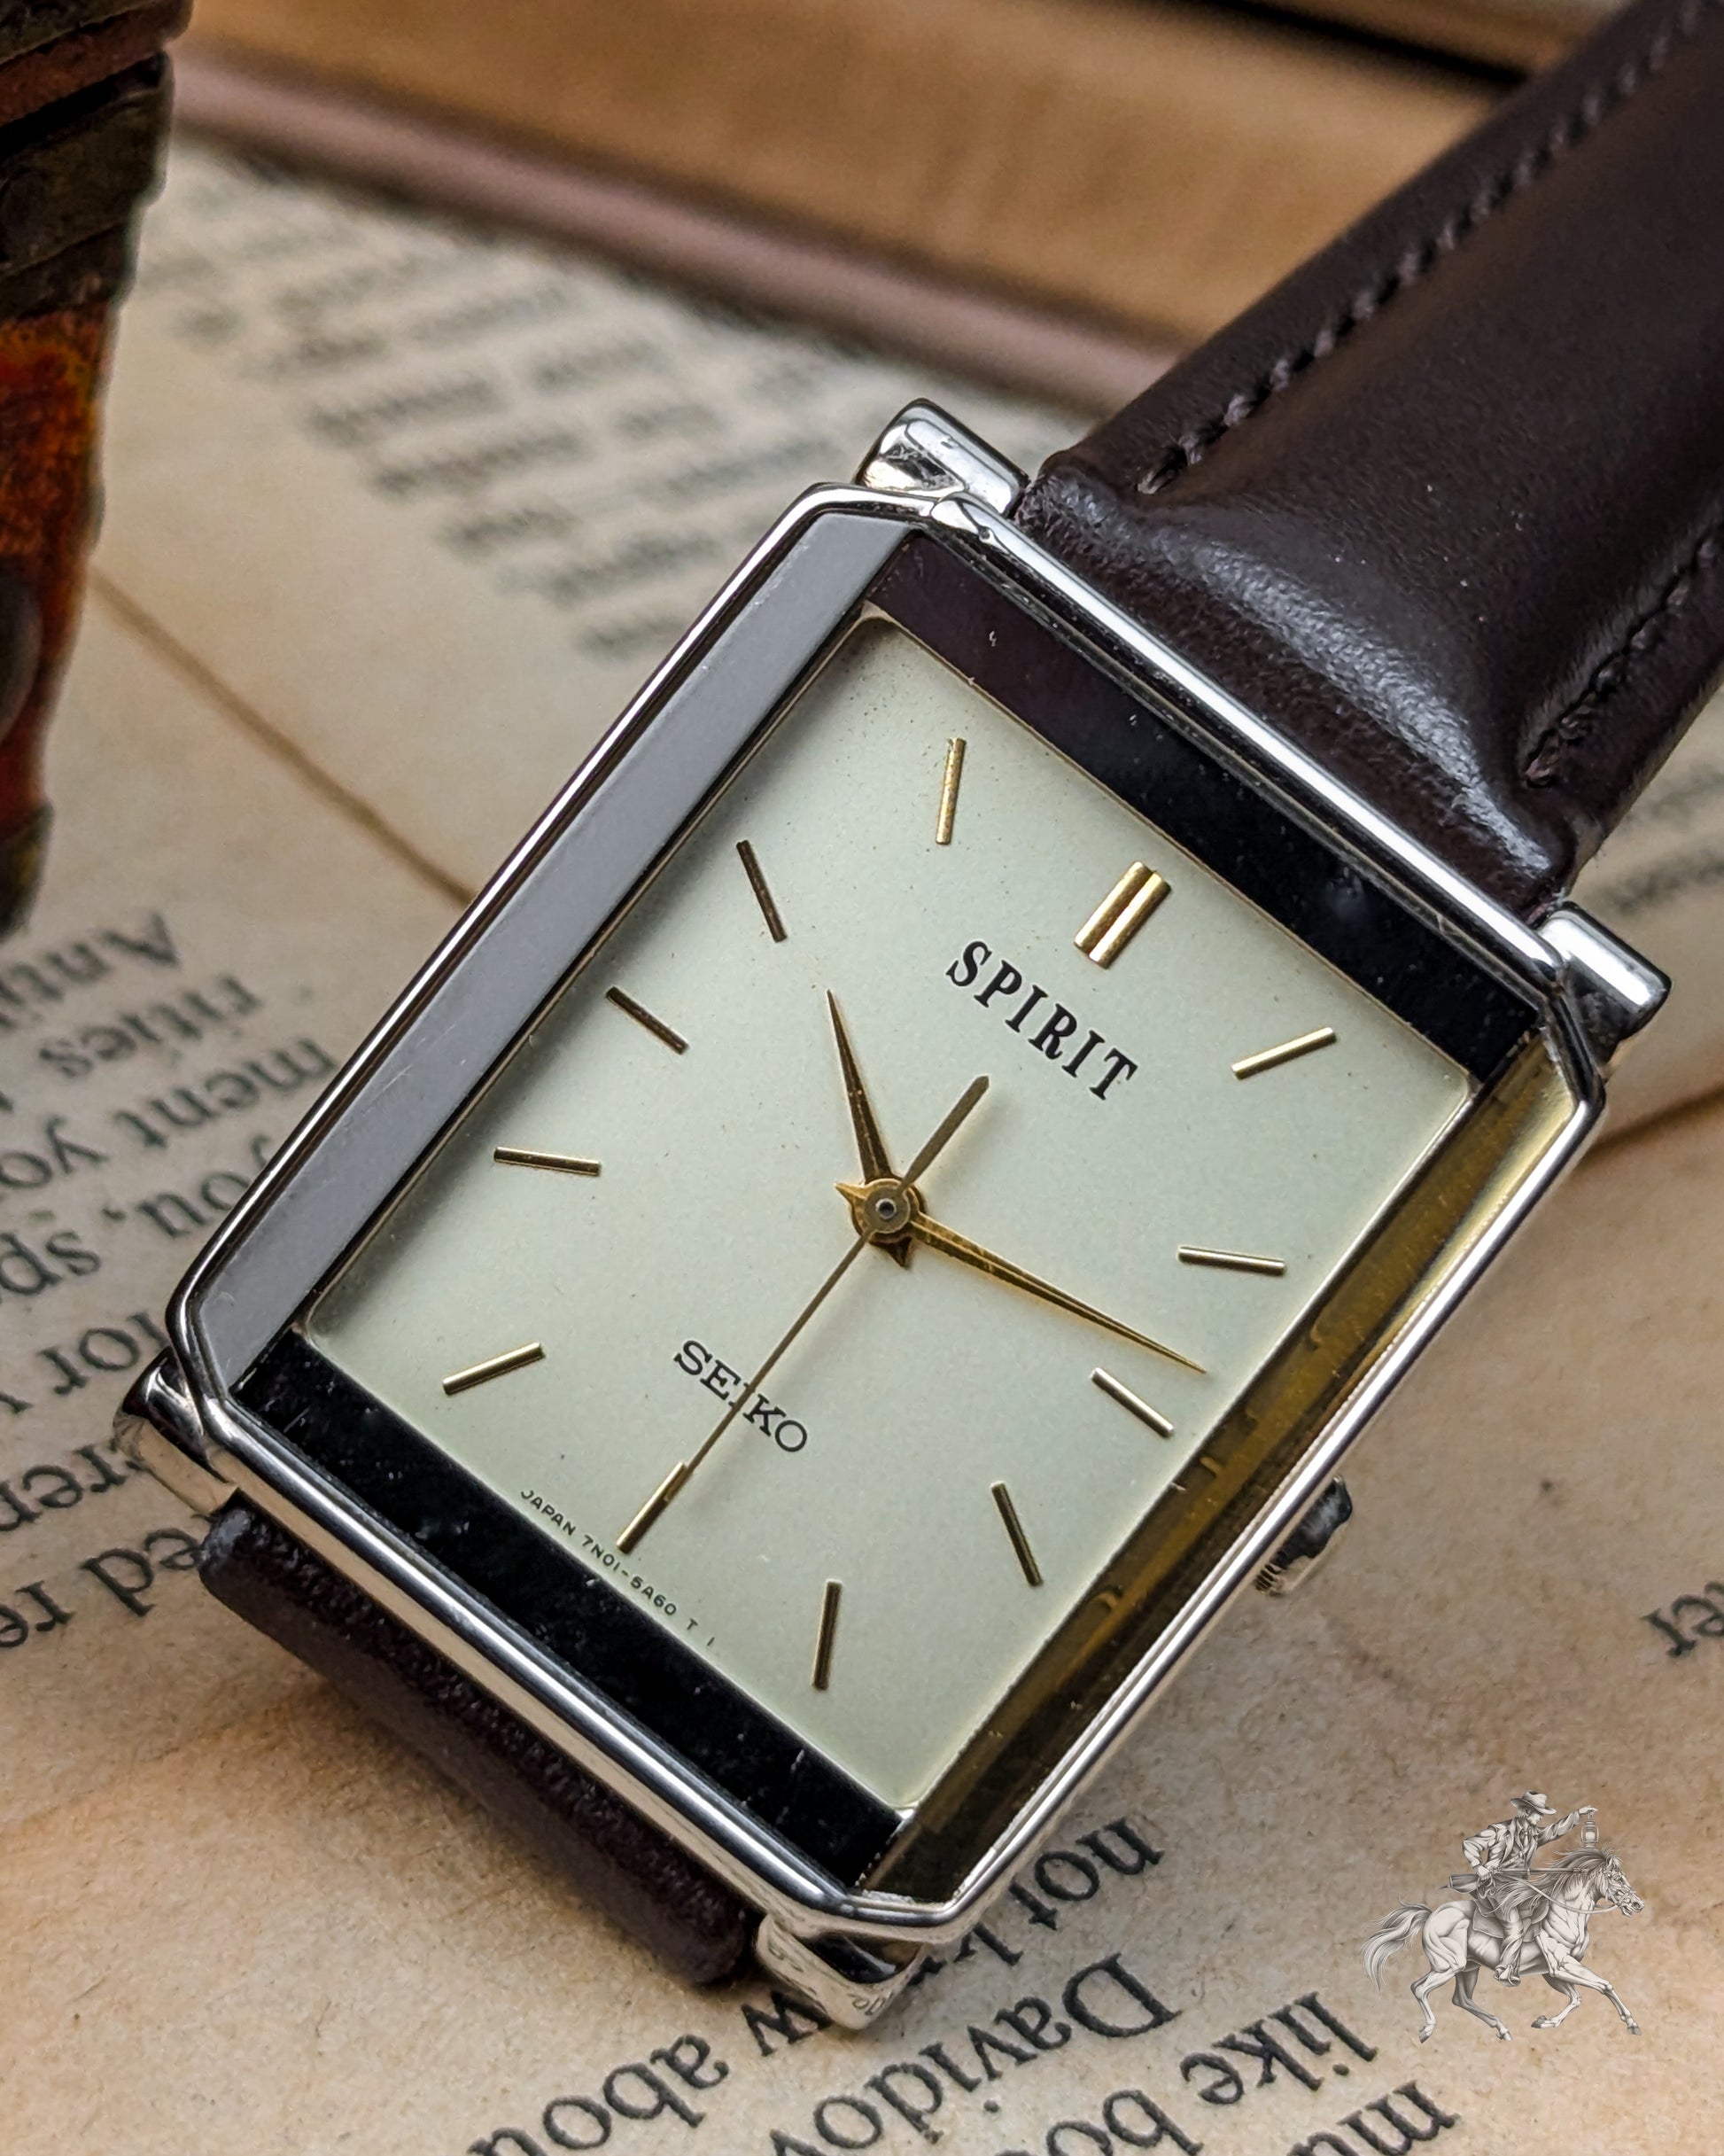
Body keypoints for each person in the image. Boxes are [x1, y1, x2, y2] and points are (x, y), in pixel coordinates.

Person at [1455, 1793, 1596, 1983]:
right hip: (1497, 1887)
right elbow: (1470, 1844)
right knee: (1514, 1926)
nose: (1541, 1817)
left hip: (1520, 1888)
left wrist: (1578, 1814)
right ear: (1527, 1812)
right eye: (1538, 1813)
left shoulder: (1534, 1834)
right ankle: (1505, 1968)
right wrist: (1479, 1867)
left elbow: (1555, 1830)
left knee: (1543, 1908)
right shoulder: (1499, 1831)